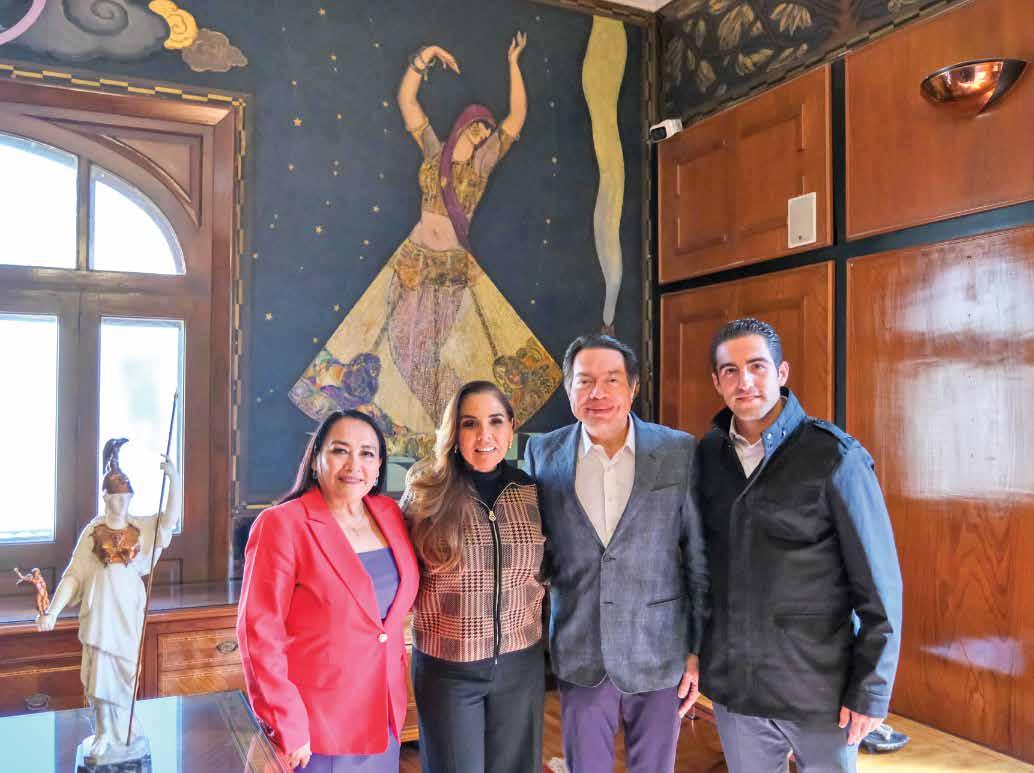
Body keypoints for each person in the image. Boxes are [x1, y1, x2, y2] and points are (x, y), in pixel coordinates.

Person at [290, 31, 561, 461]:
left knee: (430, 353)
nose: (483, 134)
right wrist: (426, 56)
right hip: (412, 261)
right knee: (400, 345)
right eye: (478, 127)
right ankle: (428, 431)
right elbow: (408, 102)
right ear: (462, 127)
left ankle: (449, 428)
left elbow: (517, 118)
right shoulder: (435, 153)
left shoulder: (482, 166)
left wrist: (514, 65)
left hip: (450, 268)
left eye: (486, 131)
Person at [697, 317, 903, 773]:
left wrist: (871, 690)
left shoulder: (835, 457)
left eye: (757, 366)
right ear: (716, 382)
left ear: (781, 372)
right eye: (730, 371)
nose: (744, 381)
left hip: (819, 690)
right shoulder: (706, 457)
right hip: (737, 689)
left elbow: (879, 587)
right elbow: (701, 570)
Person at [525, 334, 709, 773]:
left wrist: (698, 648)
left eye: (611, 380)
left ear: (633, 387)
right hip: (580, 646)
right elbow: (536, 549)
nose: (598, 393)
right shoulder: (543, 452)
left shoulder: (678, 450)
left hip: (660, 649)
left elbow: (698, 557)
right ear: (568, 388)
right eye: (585, 381)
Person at [237, 410, 419, 771]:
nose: (354, 465)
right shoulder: (282, 524)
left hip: (384, 712)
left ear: (379, 466)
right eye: (340, 451)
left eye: (367, 453)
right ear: (315, 458)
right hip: (318, 725)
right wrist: (287, 722)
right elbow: (259, 633)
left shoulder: (389, 513)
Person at [403, 380, 546, 772]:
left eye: (495, 421)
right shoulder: (426, 494)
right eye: (470, 423)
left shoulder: (531, 492)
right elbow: (400, 574)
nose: (485, 435)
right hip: (448, 671)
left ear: (511, 428)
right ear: (454, 433)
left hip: (520, 665)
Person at [37, 438, 180, 763]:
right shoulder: (93, 531)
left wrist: (174, 479)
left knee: (125, 671)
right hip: (99, 612)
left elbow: (169, 520)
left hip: (128, 612)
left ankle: (125, 724)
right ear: (105, 498)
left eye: (124, 498)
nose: (119, 503)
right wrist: (53, 611)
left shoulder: (140, 528)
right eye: (114, 498)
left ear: (130, 498)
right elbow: (74, 575)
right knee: (100, 672)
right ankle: (103, 732)